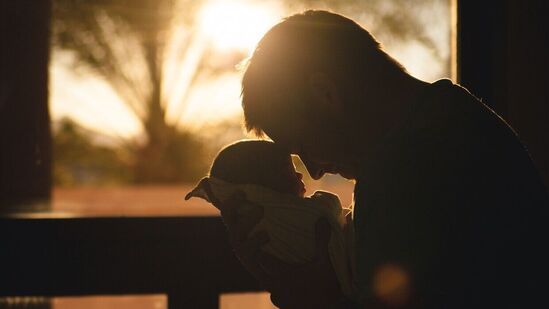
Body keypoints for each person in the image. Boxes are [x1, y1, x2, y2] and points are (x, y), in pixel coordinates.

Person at [217, 10, 549, 309]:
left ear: (325, 94)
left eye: (303, 145)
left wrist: (312, 298)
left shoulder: (401, 169)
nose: (314, 171)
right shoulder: (460, 118)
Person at [185, 140, 356, 298]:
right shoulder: (290, 218)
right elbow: (330, 209)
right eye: (288, 171)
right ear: (261, 192)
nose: (302, 174)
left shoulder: (257, 232)